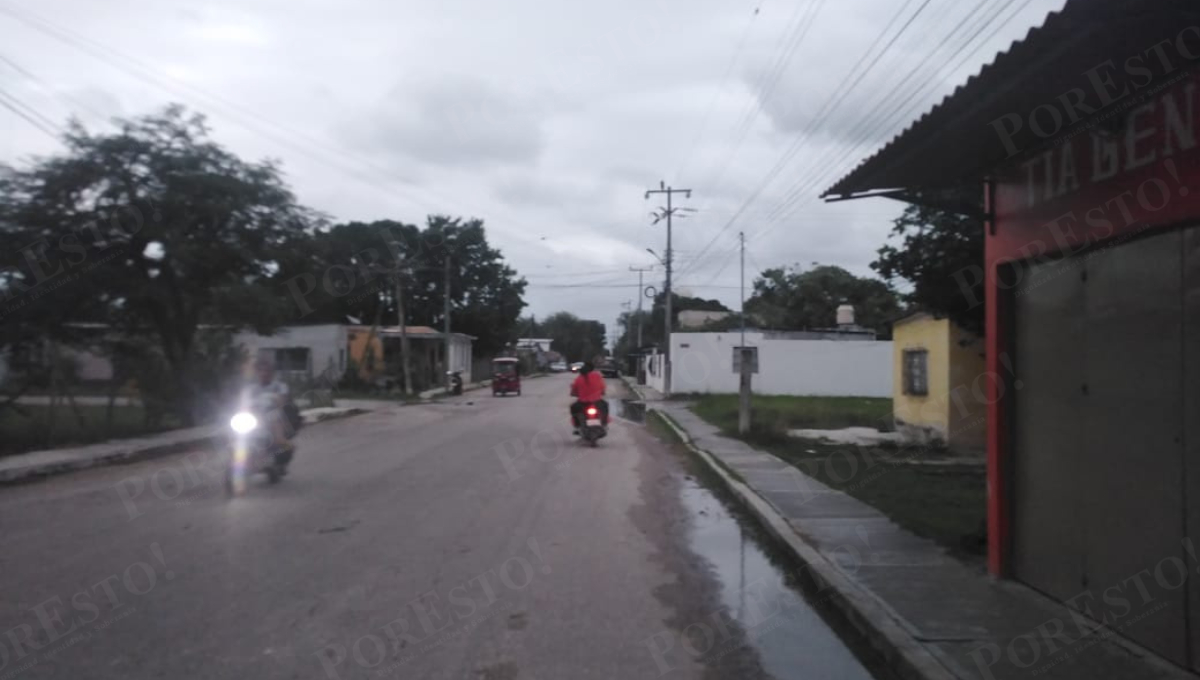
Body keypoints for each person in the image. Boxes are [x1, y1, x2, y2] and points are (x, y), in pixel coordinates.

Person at [243, 358, 295, 454]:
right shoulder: (251, 388)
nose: (264, 373)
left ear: (272, 373)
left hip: (274, 416)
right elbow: (243, 402)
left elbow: (282, 401)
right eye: (260, 370)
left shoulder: (279, 386)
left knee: (278, 435)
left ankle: (286, 445)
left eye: (267, 370)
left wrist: (274, 398)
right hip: (255, 417)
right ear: (257, 372)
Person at [569, 360, 608, 432]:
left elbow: (573, 391)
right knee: (605, 406)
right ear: (593, 368)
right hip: (597, 403)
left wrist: (575, 394)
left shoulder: (579, 378)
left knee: (573, 408)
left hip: (582, 404)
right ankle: (604, 424)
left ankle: (577, 426)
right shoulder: (598, 376)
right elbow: (602, 390)